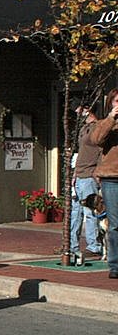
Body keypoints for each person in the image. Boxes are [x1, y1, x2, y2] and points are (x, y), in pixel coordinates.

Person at [89, 88, 118, 279]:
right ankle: (115, 265)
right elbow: (96, 139)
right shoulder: (105, 123)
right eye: (117, 101)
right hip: (111, 178)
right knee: (114, 224)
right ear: (110, 104)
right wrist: (111, 118)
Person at [70, 104, 103, 258]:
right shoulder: (83, 129)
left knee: (89, 212)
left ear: (88, 108)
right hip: (79, 174)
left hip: (90, 175)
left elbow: (102, 151)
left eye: (79, 109)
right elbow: (81, 152)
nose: (77, 113)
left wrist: (97, 172)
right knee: (75, 212)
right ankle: (72, 245)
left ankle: (94, 246)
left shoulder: (98, 127)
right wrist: (75, 173)